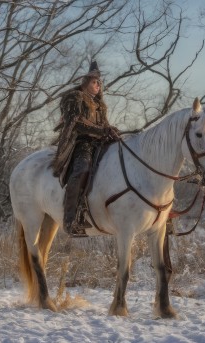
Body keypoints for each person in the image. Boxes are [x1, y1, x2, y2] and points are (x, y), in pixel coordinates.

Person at [52, 61, 120, 237]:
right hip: (80, 143)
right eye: (94, 82)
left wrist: (110, 130)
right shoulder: (74, 97)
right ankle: (70, 219)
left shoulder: (100, 105)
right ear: (86, 81)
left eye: (99, 83)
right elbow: (76, 122)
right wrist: (100, 130)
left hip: (100, 143)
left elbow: (103, 125)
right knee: (82, 168)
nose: (97, 85)